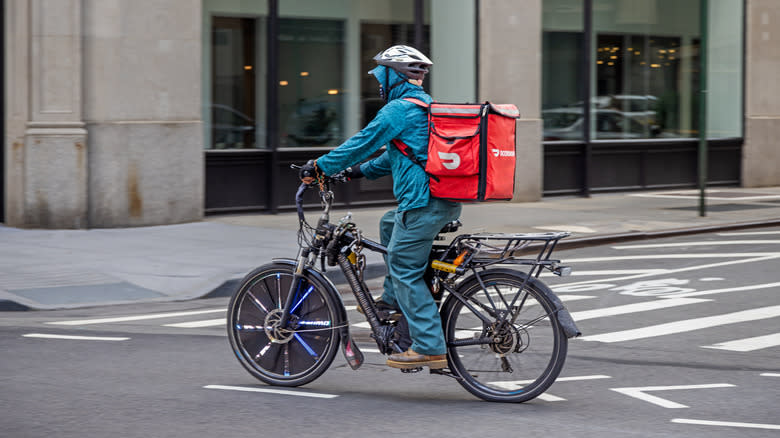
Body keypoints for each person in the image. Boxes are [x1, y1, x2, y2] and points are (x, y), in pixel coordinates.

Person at [298, 45, 461, 370]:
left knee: (404, 269)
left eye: (380, 75)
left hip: (423, 204)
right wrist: (357, 172)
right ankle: (391, 301)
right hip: (442, 200)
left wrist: (319, 168)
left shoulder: (398, 110)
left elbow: (362, 143)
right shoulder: (426, 106)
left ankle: (429, 347)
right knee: (390, 223)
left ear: (392, 74)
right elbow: (398, 154)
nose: (378, 82)